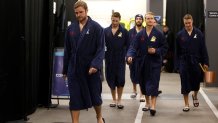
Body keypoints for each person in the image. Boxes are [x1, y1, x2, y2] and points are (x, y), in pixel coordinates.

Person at [62, 1, 105, 123]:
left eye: (81, 12)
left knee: (96, 97)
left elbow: (101, 49)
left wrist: (95, 65)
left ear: (86, 11)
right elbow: (67, 50)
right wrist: (65, 70)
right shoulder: (71, 28)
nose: (78, 15)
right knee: (74, 98)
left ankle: (99, 117)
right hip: (74, 69)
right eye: (76, 13)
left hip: (91, 68)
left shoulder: (96, 28)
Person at [126, 12, 168, 116]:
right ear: (145, 20)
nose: (149, 20)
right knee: (144, 84)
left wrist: (156, 51)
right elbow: (133, 47)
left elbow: (165, 47)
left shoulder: (159, 34)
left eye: (151, 19)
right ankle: (147, 103)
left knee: (154, 83)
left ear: (154, 20)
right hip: (142, 62)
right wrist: (130, 56)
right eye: (148, 18)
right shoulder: (140, 34)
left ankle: (153, 106)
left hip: (155, 63)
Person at [175, 14, 209, 112]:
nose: (188, 25)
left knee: (196, 82)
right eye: (186, 23)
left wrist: (205, 62)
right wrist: (177, 65)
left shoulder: (199, 33)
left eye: (189, 23)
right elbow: (177, 51)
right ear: (183, 23)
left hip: (196, 62)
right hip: (184, 62)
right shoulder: (180, 35)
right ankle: (186, 104)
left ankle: (195, 95)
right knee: (184, 83)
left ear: (192, 22)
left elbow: (203, 49)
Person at [104, 12, 129, 109]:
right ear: (111, 19)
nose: (114, 22)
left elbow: (128, 45)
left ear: (119, 20)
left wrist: (128, 56)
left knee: (120, 79)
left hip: (120, 59)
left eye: (116, 20)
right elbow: (101, 45)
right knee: (111, 79)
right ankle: (113, 99)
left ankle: (119, 100)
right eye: (113, 20)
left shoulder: (124, 32)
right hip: (109, 59)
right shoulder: (105, 31)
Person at [128, 14, 145, 102]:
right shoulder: (130, 32)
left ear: (142, 20)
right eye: (137, 19)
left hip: (143, 57)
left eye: (140, 19)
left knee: (142, 74)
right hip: (133, 57)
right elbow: (128, 45)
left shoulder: (145, 31)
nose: (138, 20)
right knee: (133, 73)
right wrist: (128, 56)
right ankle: (134, 90)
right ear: (135, 20)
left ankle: (142, 93)